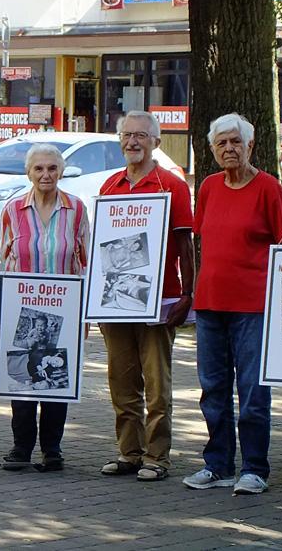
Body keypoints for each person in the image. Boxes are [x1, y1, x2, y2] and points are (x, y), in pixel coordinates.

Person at [182, 113, 282, 495]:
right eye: (221, 143)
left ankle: (255, 468)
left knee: (253, 390)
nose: (229, 149)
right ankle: (218, 464)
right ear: (212, 149)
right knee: (212, 389)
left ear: (250, 146)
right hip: (210, 304)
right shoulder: (208, 187)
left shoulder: (269, 189)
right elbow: (200, 241)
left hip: (254, 307)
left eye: (235, 142)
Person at [97, 111, 195, 482]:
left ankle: (157, 456)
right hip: (115, 301)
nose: (133, 142)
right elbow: (104, 248)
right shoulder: (110, 186)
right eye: (126, 135)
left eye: (141, 135)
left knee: (156, 383)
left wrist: (187, 293)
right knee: (121, 381)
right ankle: (129, 452)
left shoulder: (171, 185)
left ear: (156, 141)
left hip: (160, 298)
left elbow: (186, 244)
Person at [0, 143, 90, 472]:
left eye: (52, 168)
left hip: (64, 309)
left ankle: (52, 449)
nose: (46, 174)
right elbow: (6, 258)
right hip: (22, 310)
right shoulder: (12, 210)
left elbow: (83, 262)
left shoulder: (77, 209)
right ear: (28, 173)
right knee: (22, 378)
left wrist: (84, 313)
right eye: (39, 169)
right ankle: (21, 447)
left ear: (61, 171)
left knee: (56, 379)